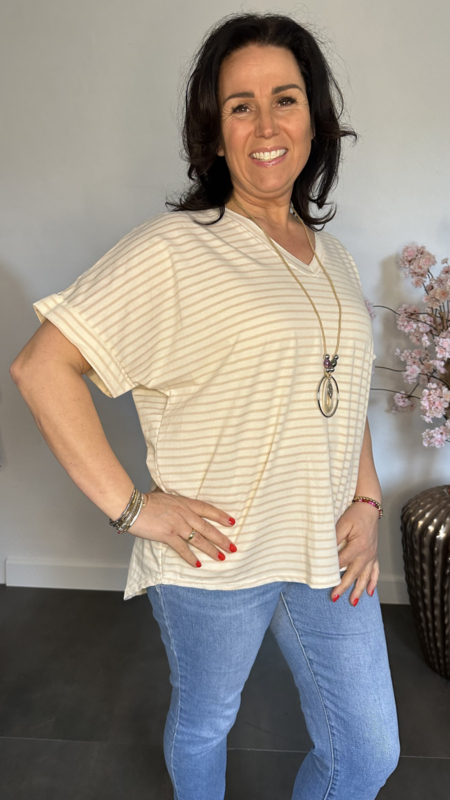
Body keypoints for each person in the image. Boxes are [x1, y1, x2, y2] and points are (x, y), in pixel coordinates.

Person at [10, 12, 400, 800]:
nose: (267, 125)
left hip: (327, 547)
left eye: (285, 99)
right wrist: (132, 508)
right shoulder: (175, 247)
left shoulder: (334, 256)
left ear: (315, 119)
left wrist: (367, 498)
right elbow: (41, 366)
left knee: (368, 753)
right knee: (206, 721)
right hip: (216, 559)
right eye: (240, 106)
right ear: (216, 133)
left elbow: (340, 384)